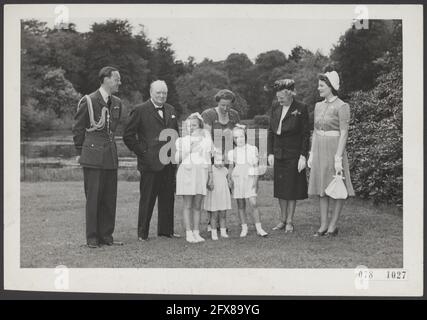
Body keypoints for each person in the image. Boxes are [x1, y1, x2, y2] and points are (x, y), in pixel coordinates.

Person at [72, 66, 123, 248]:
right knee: (93, 197)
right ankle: (92, 238)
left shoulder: (117, 102)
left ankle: (106, 236)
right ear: (106, 79)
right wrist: (80, 152)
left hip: (110, 154)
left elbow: (112, 128)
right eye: (117, 79)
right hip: (93, 155)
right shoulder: (89, 100)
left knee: (109, 197)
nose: (119, 82)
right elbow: (78, 129)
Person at [123, 80, 180, 241]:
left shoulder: (171, 109)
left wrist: (176, 155)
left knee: (168, 197)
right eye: (158, 93)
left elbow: (175, 134)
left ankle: (166, 231)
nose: (162, 96)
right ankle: (143, 233)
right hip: (150, 163)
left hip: (169, 161)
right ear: (151, 93)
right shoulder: (140, 110)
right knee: (147, 199)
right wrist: (143, 152)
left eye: (164, 93)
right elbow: (128, 136)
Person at [307, 70, 355, 237]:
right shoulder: (318, 105)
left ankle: (333, 225)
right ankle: (323, 225)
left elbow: (344, 132)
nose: (318, 88)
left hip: (334, 148)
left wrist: (338, 157)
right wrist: (311, 153)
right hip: (319, 147)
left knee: (336, 185)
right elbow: (315, 130)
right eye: (318, 85)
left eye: (321, 85)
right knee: (322, 186)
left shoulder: (342, 106)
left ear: (331, 86)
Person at [267, 79, 310, 233]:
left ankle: (290, 221)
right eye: (278, 98)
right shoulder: (275, 106)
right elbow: (271, 130)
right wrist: (270, 152)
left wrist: (303, 156)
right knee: (280, 189)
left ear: (290, 94)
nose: (279, 101)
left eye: (282, 98)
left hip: (293, 153)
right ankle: (282, 220)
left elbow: (305, 134)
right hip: (279, 153)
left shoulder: (301, 108)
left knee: (291, 189)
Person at [201, 89, 240, 232]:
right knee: (212, 189)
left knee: (225, 190)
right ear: (217, 102)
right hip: (212, 158)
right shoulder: (208, 114)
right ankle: (211, 222)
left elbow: (238, 137)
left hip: (228, 158)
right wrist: (216, 154)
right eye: (223, 105)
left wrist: (233, 136)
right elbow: (206, 137)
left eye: (228, 105)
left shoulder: (234, 115)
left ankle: (221, 223)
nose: (225, 108)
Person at [175, 113, 213, 243]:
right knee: (188, 204)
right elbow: (176, 159)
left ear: (200, 126)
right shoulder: (182, 141)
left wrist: (210, 176)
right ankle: (189, 232)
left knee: (198, 205)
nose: (191, 128)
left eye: (194, 125)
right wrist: (188, 149)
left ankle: (197, 232)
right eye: (189, 125)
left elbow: (208, 160)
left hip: (201, 172)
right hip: (187, 172)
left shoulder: (206, 142)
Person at [228, 125, 268, 238]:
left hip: (250, 177)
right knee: (241, 204)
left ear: (245, 136)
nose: (239, 139)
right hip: (238, 178)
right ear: (233, 140)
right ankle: (244, 227)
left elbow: (255, 166)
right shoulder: (232, 152)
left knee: (253, 202)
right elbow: (231, 168)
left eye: (241, 136)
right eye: (236, 137)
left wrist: (256, 180)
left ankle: (259, 228)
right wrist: (229, 179)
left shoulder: (252, 149)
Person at [203, 149, 232, 240]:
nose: (220, 163)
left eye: (222, 160)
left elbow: (229, 181)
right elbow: (207, 183)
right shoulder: (211, 170)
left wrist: (230, 182)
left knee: (223, 215)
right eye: (218, 160)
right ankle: (214, 233)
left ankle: (223, 232)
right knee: (214, 215)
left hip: (223, 195)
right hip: (214, 195)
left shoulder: (225, 170)